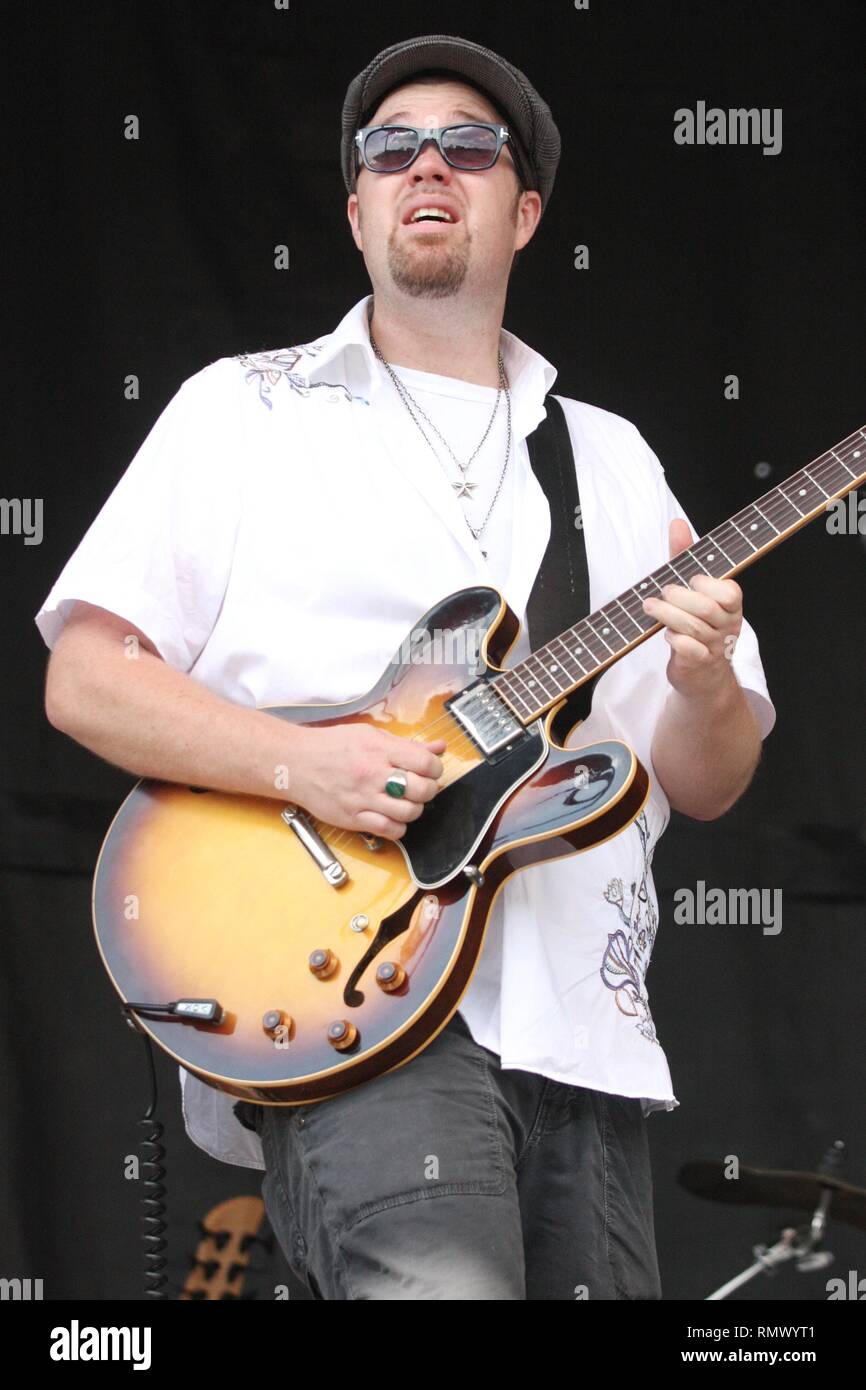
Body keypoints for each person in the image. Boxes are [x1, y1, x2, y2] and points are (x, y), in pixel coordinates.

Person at [35, 34, 775, 1300]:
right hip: (356, 998)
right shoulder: (244, 408)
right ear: (358, 205)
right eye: (392, 148)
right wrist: (303, 760)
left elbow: (704, 782)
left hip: (579, 1032)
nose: (427, 163)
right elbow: (87, 677)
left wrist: (704, 683)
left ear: (523, 209)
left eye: (468, 147)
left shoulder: (608, 457)